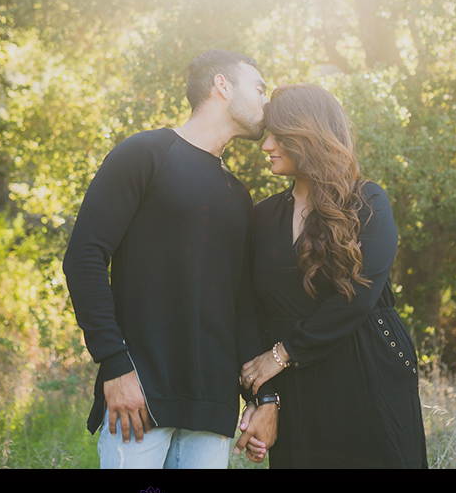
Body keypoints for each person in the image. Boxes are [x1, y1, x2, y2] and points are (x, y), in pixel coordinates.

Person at [63, 49, 278, 468]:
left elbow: (242, 304)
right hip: (139, 398)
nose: (266, 103)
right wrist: (114, 365)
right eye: (259, 89)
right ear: (222, 85)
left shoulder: (238, 195)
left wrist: (262, 396)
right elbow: (84, 257)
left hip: (212, 408)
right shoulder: (144, 154)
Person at [239, 84, 428, 468]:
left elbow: (357, 297)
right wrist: (265, 397)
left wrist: (285, 353)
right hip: (296, 388)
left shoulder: (368, 202)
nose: (266, 145)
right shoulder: (261, 216)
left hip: (365, 372)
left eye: (279, 135)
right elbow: (249, 310)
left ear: (308, 135)